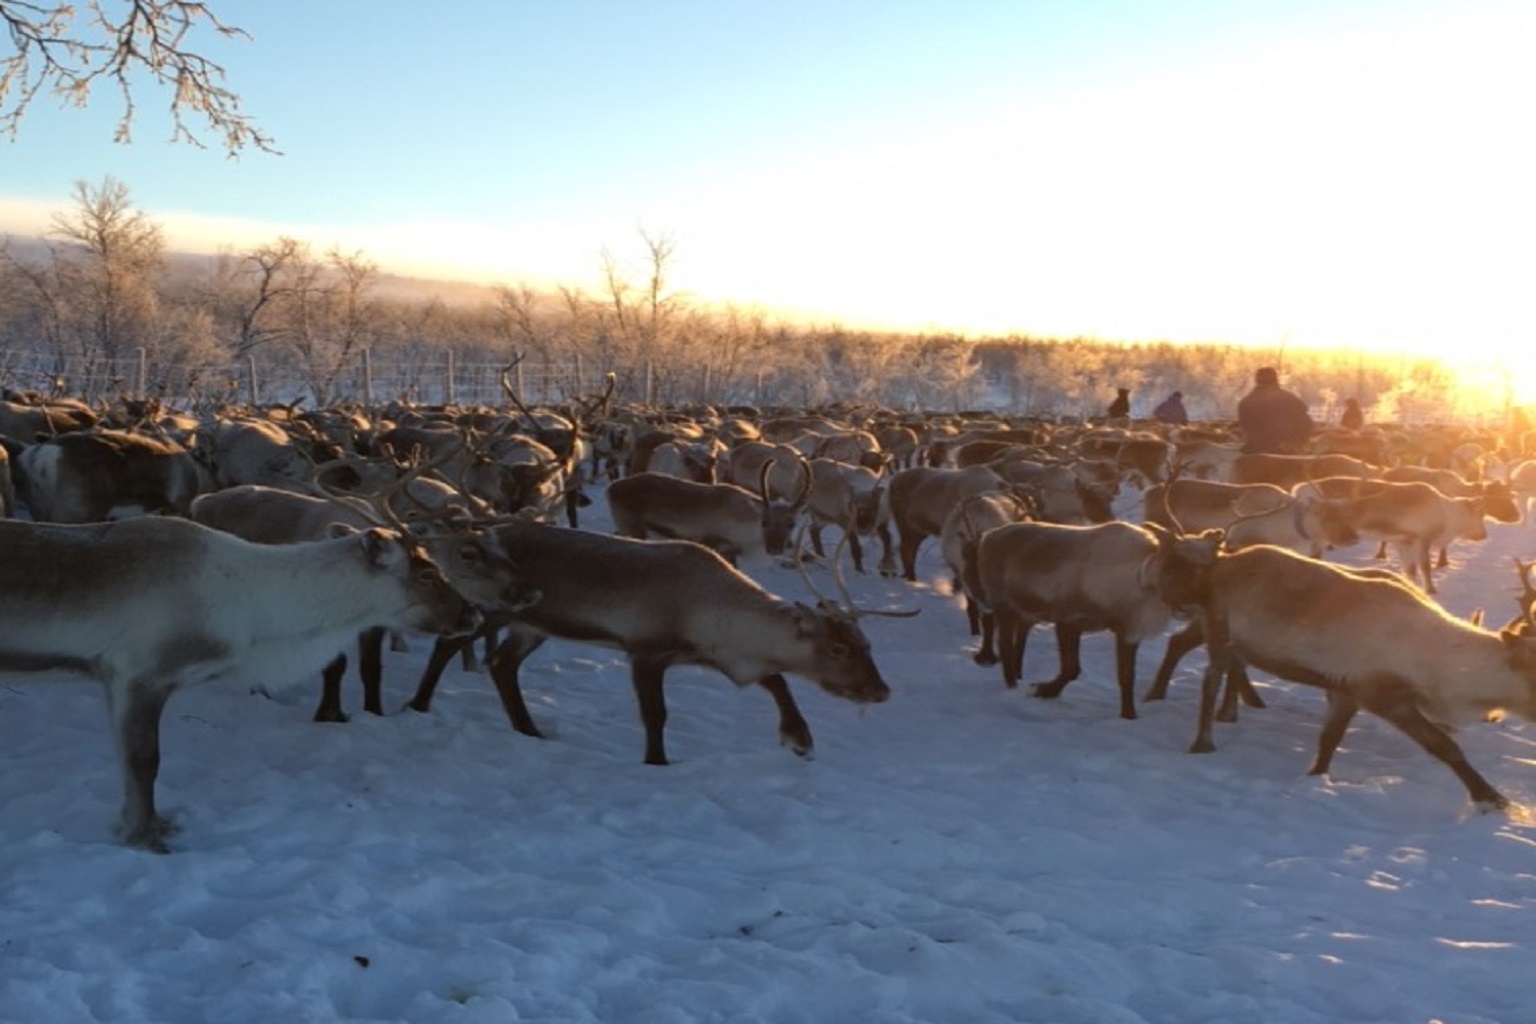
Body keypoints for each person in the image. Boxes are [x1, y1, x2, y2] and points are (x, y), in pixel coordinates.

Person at [1237, 366, 1313, 455]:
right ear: (1276, 380)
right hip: (1289, 451)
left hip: (1256, 451)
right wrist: (1298, 442)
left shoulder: (1246, 402)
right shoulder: (1290, 398)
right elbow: (1307, 424)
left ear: (1257, 381)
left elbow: (1247, 429)